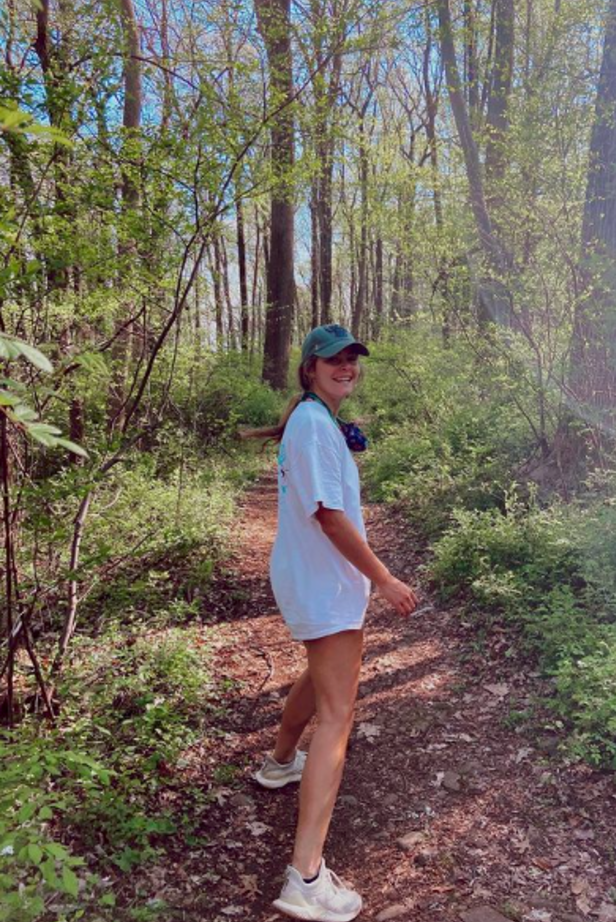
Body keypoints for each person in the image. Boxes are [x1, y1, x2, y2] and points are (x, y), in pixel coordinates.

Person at [250, 323, 417, 922]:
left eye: (352, 359)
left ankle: (278, 763)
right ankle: (307, 876)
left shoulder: (315, 421)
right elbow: (329, 516)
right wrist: (385, 578)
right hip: (324, 582)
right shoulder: (314, 426)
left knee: (322, 678)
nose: (346, 366)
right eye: (334, 359)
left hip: (315, 581)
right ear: (310, 368)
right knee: (339, 717)